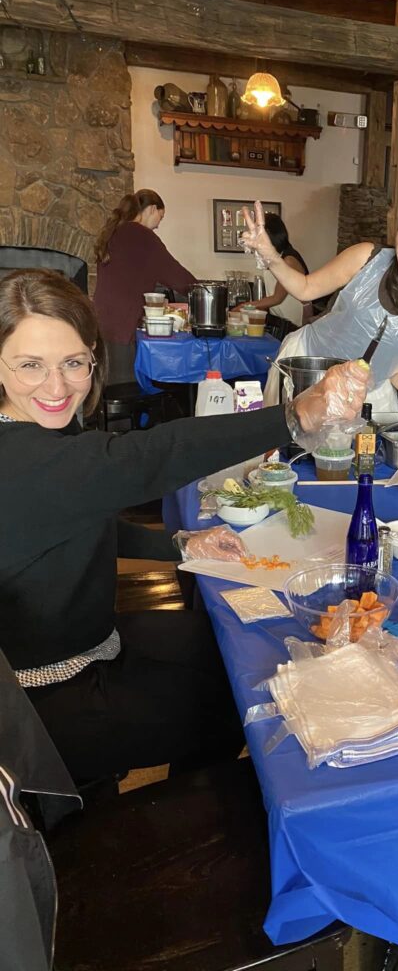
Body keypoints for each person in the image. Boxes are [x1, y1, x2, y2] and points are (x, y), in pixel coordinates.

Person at [0, 268, 369, 787]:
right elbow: (151, 455)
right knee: (250, 693)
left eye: (73, 362)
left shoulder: (37, 432)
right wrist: (292, 418)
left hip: (91, 645)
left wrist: (181, 542)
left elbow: (76, 524)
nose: (57, 386)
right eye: (30, 366)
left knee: (228, 645)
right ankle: (190, 825)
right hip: (39, 702)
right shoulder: (21, 456)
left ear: (92, 356)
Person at [242, 198, 398, 411]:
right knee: (284, 454)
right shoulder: (367, 257)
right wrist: (270, 255)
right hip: (306, 370)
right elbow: (305, 287)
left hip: (366, 398)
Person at [93, 190, 196, 383]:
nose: (158, 225)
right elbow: (180, 280)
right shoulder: (143, 237)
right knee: (130, 390)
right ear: (150, 209)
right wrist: (205, 291)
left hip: (101, 328)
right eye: (160, 217)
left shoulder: (115, 231)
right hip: (122, 334)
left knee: (106, 391)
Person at [235, 212, 309, 329]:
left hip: (295, 321)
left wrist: (245, 306)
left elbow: (277, 298)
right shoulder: (275, 257)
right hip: (280, 318)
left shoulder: (289, 260)